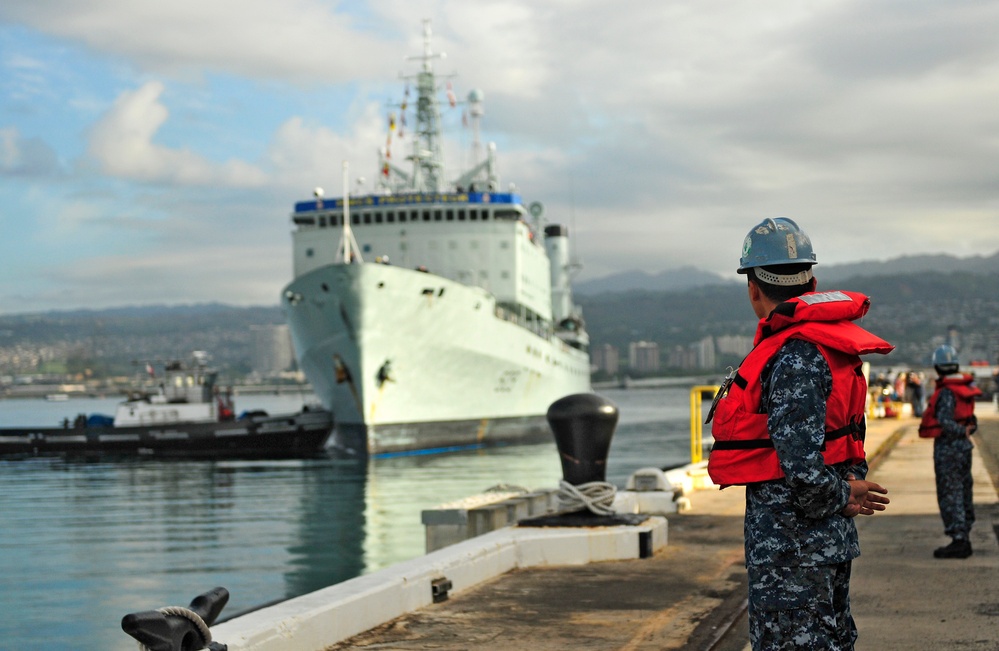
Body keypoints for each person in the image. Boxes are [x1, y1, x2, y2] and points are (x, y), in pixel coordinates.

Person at [707, 217, 892, 651]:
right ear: (812, 281)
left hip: (791, 554)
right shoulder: (832, 349)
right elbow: (842, 441)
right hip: (826, 544)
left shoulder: (793, 358)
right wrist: (847, 490)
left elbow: (803, 471)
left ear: (753, 287)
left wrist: (840, 496)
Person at [918, 344, 981, 559]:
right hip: (965, 448)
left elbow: (944, 421)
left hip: (948, 450)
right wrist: (966, 430)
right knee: (963, 491)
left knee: (950, 492)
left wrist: (959, 431)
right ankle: (964, 533)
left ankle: (958, 539)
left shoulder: (946, 391)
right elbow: (971, 419)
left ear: (938, 367)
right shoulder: (964, 388)